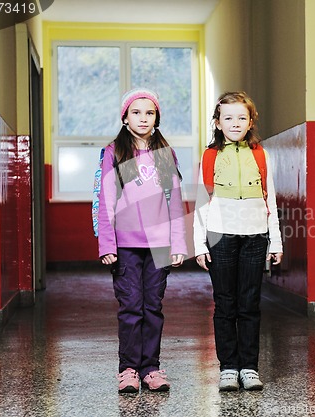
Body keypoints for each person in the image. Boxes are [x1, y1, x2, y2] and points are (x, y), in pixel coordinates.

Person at [97, 87, 187, 393]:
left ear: (157, 117)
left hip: (159, 245)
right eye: (136, 112)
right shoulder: (114, 152)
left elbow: (175, 200)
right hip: (125, 246)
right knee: (131, 307)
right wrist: (107, 244)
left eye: (149, 112)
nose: (143, 118)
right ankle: (129, 370)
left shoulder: (165, 153)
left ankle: (151, 368)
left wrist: (178, 243)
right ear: (125, 117)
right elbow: (106, 200)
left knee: (153, 307)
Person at [193, 91, 283, 391]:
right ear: (217, 123)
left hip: (255, 237)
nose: (235, 123)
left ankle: (249, 367)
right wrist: (199, 244)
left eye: (241, 118)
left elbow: (270, 199)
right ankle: (228, 368)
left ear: (250, 121)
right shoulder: (209, 156)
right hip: (220, 237)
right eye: (228, 118)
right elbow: (201, 202)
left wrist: (276, 242)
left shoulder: (261, 154)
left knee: (249, 304)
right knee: (225, 304)